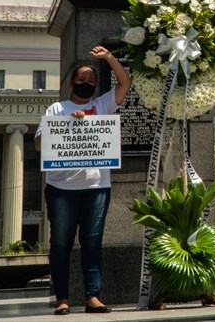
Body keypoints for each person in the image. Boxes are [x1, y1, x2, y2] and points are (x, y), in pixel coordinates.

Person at [34, 46, 131, 315]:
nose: (86, 84)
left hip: (96, 188)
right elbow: (39, 144)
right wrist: (68, 123)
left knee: (92, 241)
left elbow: (125, 83)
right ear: (71, 82)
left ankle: (92, 296)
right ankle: (63, 298)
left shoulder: (101, 105)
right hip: (61, 188)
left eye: (91, 81)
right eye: (82, 79)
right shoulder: (56, 108)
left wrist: (110, 58)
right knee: (61, 243)